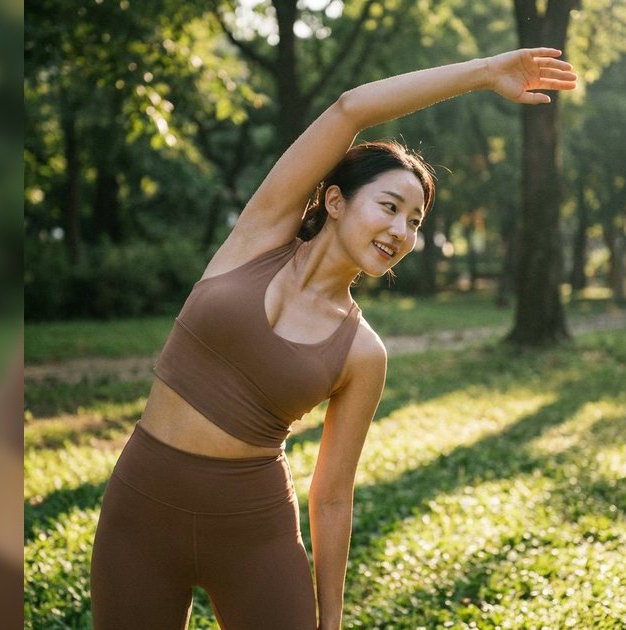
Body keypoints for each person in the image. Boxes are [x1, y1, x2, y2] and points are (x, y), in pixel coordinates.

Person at [90, 48, 577, 629]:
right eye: (390, 207)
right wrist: (483, 73)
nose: (400, 231)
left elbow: (332, 495)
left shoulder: (362, 352)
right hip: (141, 513)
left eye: (414, 222)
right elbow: (350, 110)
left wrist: (332, 618)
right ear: (336, 200)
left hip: (254, 533)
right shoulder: (259, 236)